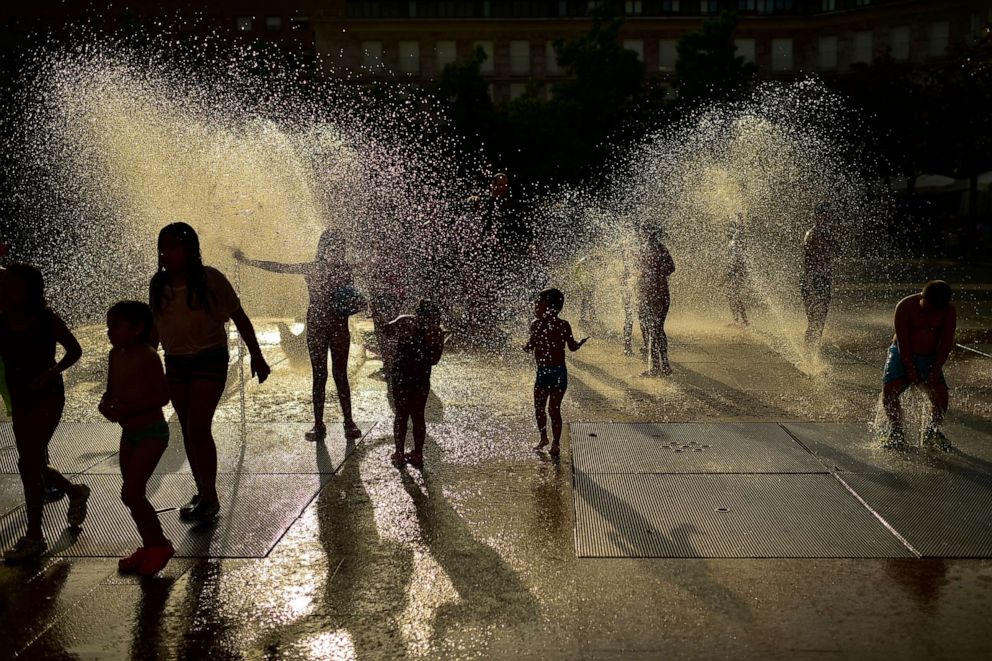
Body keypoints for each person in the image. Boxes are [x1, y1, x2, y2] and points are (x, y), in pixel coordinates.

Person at [151, 222, 270, 523]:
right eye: (163, 246)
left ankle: (211, 498)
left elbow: (239, 317)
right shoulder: (158, 285)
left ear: (190, 249)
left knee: (197, 427)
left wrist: (257, 355)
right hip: (175, 362)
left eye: (174, 245)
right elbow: (156, 328)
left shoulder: (210, 279)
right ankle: (203, 489)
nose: (167, 253)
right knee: (189, 431)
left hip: (209, 358)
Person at [234, 229, 363, 442]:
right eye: (332, 246)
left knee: (340, 374)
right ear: (323, 248)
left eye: (339, 247)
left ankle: (348, 421)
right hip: (318, 327)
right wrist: (248, 261)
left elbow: (368, 275)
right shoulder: (313, 268)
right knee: (319, 375)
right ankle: (319, 423)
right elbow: (279, 268)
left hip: (338, 326)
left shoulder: (346, 270)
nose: (336, 251)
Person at [0, 263, 89, 562]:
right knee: (32, 462)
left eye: (14, 286)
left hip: (47, 395)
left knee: (28, 462)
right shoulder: (1, 320)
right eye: (5, 286)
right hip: (21, 397)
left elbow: (74, 350)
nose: (7, 291)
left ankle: (35, 536)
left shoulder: (46, 319)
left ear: (31, 291)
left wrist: (53, 372)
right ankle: (74, 490)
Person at [99, 301, 174, 575]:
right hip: (129, 433)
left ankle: (161, 545)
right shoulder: (114, 355)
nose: (110, 332)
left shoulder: (148, 356)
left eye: (116, 326)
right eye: (109, 327)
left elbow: (162, 397)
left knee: (131, 492)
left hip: (152, 432)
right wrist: (105, 404)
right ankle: (149, 545)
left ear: (138, 328)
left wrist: (128, 409)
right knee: (132, 495)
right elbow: (111, 390)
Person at [881, 280, 957, 450]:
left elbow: (946, 343)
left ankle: (932, 430)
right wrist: (909, 367)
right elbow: (903, 340)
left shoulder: (948, 311)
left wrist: (936, 369)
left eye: (935, 310)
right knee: (890, 392)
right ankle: (896, 429)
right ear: (922, 296)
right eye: (928, 307)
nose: (930, 313)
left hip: (930, 357)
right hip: (901, 352)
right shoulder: (905, 306)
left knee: (941, 396)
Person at [523, 288, 588, 457]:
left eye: (538, 302)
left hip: (548, 373)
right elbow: (572, 347)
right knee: (552, 408)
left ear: (548, 306)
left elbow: (530, 346)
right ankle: (551, 442)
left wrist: (525, 346)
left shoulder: (538, 325)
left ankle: (549, 439)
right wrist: (580, 343)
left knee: (543, 408)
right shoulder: (562, 325)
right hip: (556, 372)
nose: (535, 305)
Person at [385, 300, 444, 469]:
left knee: (401, 415)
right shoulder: (436, 332)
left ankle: (399, 453)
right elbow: (434, 360)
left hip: (401, 376)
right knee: (418, 416)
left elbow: (386, 331)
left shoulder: (405, 321)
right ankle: (417, 454)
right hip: (420, 378)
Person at [801, 203, 841, 350]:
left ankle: (812, 353)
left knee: (819, 320)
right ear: (818, 216)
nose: (828, 218)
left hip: (822, 280)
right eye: (825, 215)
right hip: (813, 280)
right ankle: (809, 355)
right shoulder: (813, 234)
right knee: (815, 321)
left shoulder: (826, 233)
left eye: (829, 215)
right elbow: (811, 258)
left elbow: (837, 251)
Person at [639, 227, 676, 376]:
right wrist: (659, 275)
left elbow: (638, 270)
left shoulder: (644, 248)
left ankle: (654, 368)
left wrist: (650, 277)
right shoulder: (663, 248)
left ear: (647, 233)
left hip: (649, 295)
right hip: (662, 294)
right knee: (658, 328)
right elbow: (672, 268)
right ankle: (665, 365)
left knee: (650, 328)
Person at [726, 212, 749, 326]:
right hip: (734, 271)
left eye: (729, 229)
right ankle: (739, 320)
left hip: (738, 271)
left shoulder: (735, 241)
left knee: (734, 295)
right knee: (732, 295)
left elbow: (741, 230)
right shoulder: (731, 242)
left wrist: (740, 219)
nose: (726, 232)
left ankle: (743, 321)